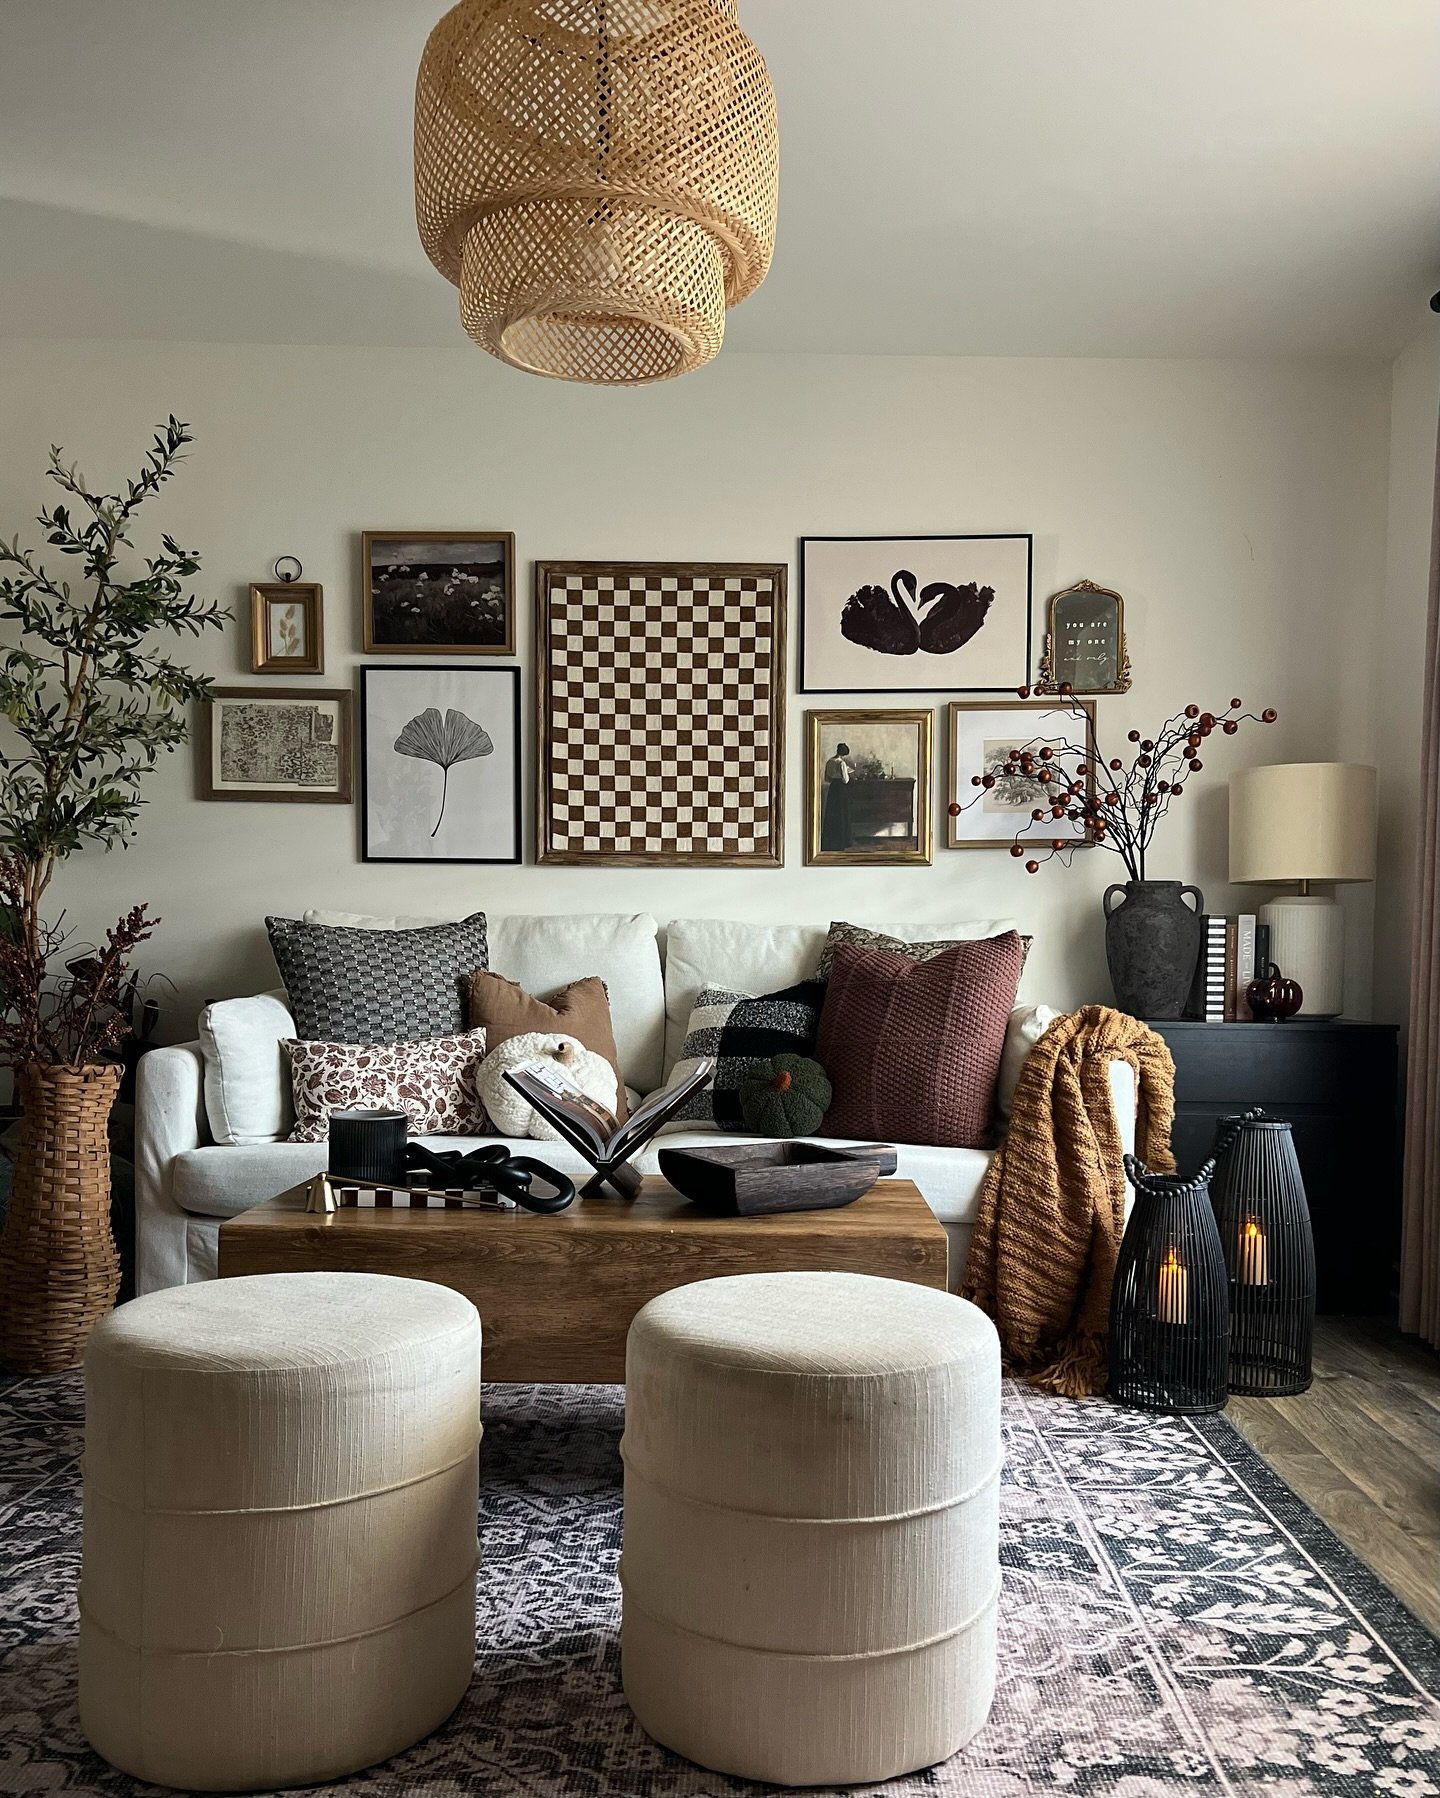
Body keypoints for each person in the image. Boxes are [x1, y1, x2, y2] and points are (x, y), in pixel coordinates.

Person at [821, 741, 854, 850]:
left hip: (833, 789)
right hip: (841, 789)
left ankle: (830, 841)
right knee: (841, 813)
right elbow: (845, 780)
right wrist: (847, 773)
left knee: (832, 813)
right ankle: (842, 841)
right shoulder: (841, 763)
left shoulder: (829, 762)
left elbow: (827, 779)